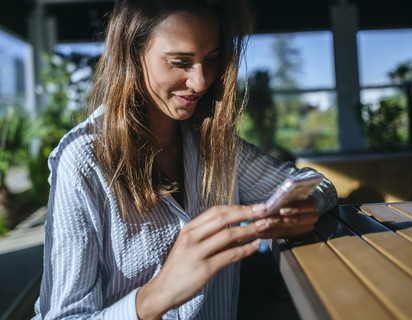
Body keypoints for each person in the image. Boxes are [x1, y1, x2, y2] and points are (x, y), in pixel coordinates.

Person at [33, 0, 338, 319]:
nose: (201, 81)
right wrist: (158, 294)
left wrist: (309, 205)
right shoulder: (83, 160)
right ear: (132, 54)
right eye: (180, 62)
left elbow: (319, 184)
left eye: (212, 59)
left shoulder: (217, 147)